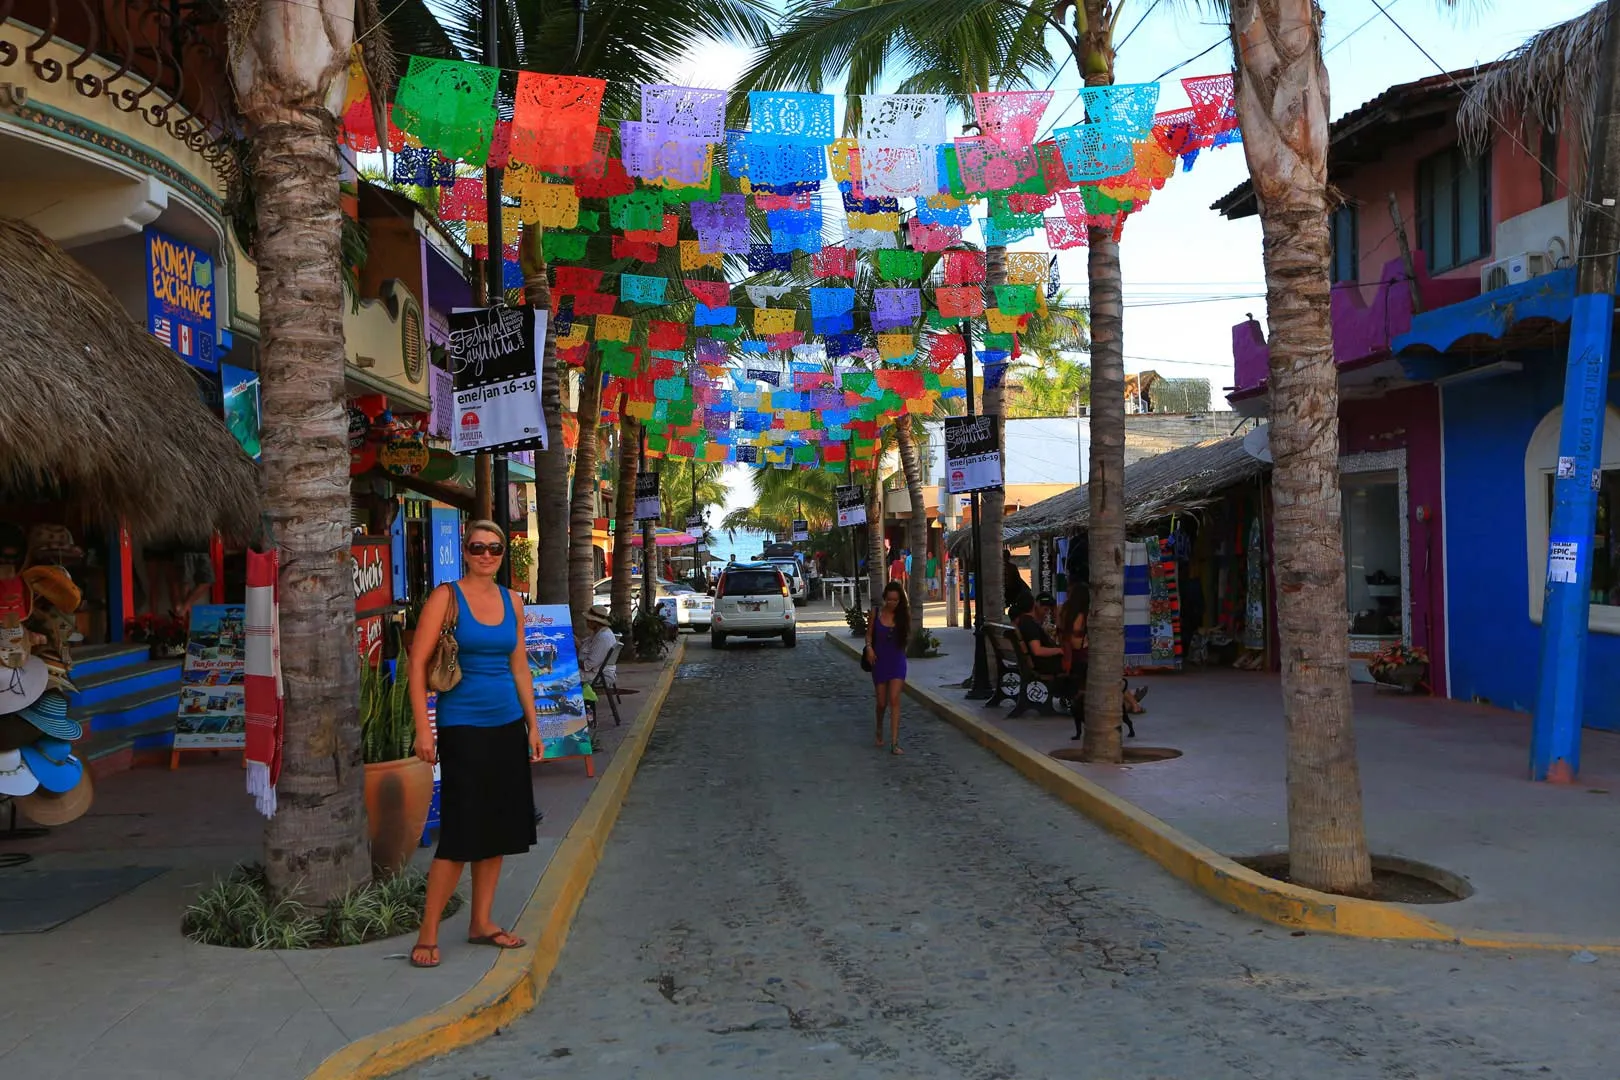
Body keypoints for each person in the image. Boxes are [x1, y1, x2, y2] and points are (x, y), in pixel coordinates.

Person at [408, 519, 541, 970]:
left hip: (506, 723)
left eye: (495, 548)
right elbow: (416, 665)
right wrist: (423, 730)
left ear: (504, 554)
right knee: (462, 831)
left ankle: (481, 922)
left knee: (498, 826)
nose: (486, 555)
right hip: (462, 724)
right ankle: (428, 933)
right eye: (477, 547)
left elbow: (519, 666)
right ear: (464, 551)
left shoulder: (513, 601)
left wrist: (534, 724)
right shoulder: (446, 597)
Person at [1053, 587, 1147, 741]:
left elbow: (1060, 632)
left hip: (1070, 656)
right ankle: (1133, 703)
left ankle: (1132, 701)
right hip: (1084, 656)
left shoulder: (1063, 611)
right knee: (1110, 672)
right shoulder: (1085, 614)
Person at [864, 582, 910, 755]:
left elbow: (907, 636)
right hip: (879, 660)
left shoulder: (903, 615)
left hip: (897, 659)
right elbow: (869, 634)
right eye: (889, 599)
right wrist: (869, 648)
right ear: (885, 599)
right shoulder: (876, 614)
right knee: (882, 702)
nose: (892, 603)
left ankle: (894, 742)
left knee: (894, 699)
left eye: (896, 600)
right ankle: (879, 729)